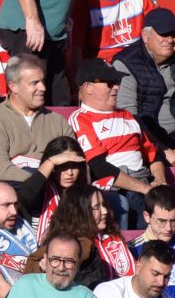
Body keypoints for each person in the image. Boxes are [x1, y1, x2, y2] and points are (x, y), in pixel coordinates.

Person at [72, 57, 168, 217]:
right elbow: (100, 168)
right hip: (113, 187)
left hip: (143, 180)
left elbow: (154, 154)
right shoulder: (81, 119)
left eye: (117, 81)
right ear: (88, 88)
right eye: (110, 83)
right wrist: (146, 190)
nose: (117, 87)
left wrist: (160, 180)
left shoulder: (128, 116)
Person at [0, 54, 65, 184]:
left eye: (43, 81)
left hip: (57, 192)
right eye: (34, 83)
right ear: (14, 87)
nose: (43, 88)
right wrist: (38, 183)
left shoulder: (58, 121)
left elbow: (76, 162)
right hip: (15, 192)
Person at [116, 8, 175, 154]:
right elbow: (128, 116)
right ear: (145, 35)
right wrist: (161, 150)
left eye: (173, 34)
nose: (170, 40)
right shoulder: (126, 63)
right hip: (147, 143)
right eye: (164, 34)